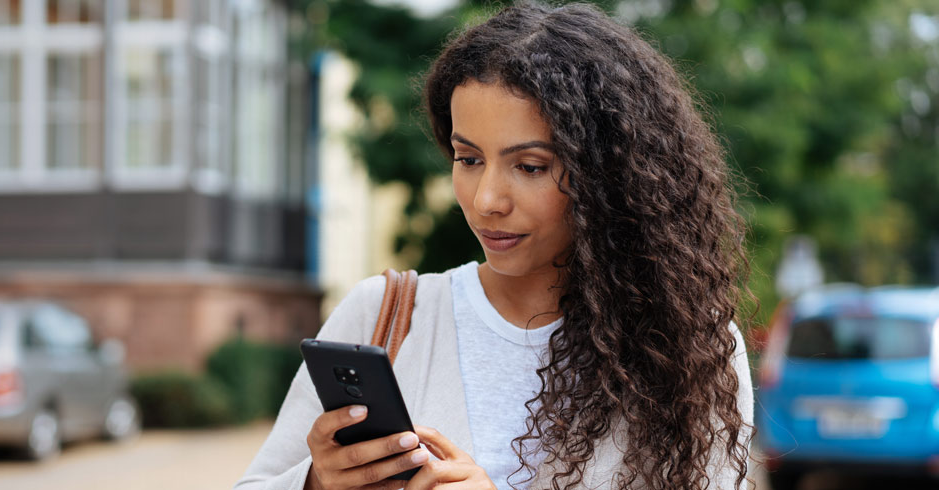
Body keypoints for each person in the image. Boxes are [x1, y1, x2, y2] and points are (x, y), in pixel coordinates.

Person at [236, 2, 754, 489]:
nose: (486, 200)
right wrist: (316, 480)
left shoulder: (686, 346)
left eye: (529, 167)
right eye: (468, 159)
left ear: (610, 175)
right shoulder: (384, 315)